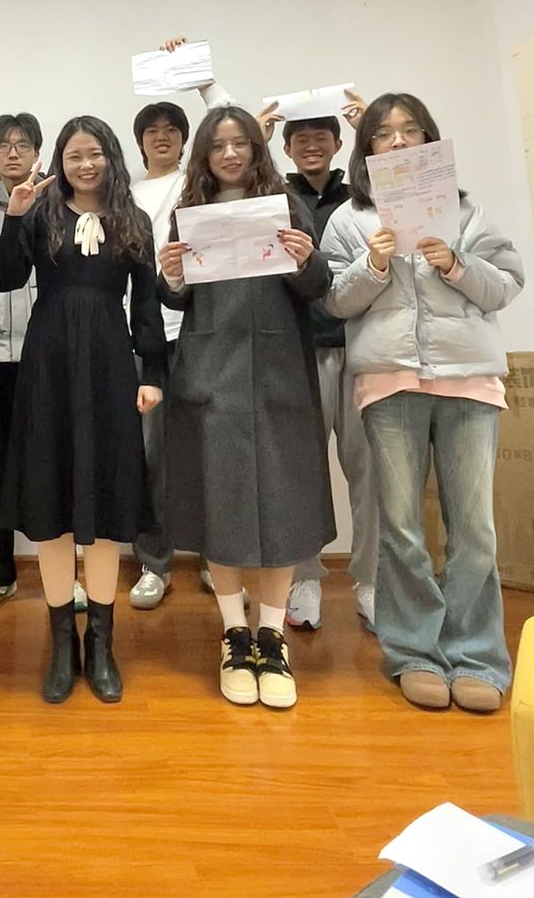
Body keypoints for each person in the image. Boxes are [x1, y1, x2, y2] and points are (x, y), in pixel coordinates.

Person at [322, 93, 524, 712]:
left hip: (469, 381)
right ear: (367, 150)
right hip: (390, 383)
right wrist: (374, 264)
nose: (399, 142)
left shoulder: (466, 211)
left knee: (475, 528)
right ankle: (413, 652)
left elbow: (506, 285)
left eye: (411, 130)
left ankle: (477, 656)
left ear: (431, 140)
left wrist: (458, 264)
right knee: (402, 527)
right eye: (384, 134)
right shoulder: (350, 219)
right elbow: (333, 301)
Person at [159, 106, 335, 709]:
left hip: (280, 375)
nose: (230, 154)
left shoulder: (285, 204)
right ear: (204, 155)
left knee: (283, 504)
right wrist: (172, 276)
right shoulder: (190, 213)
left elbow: (319, 287)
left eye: (240, 143)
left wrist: (305, 259)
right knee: (222, 502)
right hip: (212, 374)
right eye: (219, 145)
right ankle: (235, 634)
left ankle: (272, 637)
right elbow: (173, 297)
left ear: (257, 150)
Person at [0, 118, 166, 704]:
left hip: (111, 362)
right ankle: (62, 644)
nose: (85, 164)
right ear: (59, 163)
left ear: (110, 157)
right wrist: (14, 216)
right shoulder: (40, 214)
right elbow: (5, 276)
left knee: (107, 502)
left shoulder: (133, 219)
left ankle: (103, 644)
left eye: (94, 154)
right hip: (49, 363)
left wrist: (152, 373)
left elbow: (147, 302)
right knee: (52, 501)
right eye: (73, 155)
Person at [0, 112, 87, 616]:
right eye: (3, 144)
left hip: (46, 354)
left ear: (39, 152)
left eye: (23, 144)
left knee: (56, 464)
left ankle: (65, 577)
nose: (13, 152)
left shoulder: (63, 204)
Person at [128, 38, 234, 610]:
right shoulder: (124, 194)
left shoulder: (200, 185)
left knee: (211, 449)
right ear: (140, 141)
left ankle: (220, 560)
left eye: (172, 129)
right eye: (152, 131)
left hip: (201, 331)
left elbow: (231, 124)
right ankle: (155, 562)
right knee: (151, 457)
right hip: (145, 339)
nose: (162, 137)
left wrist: (201, 79)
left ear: (187, 140)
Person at [276, 113, 379, 633]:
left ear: (340, 143)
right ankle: (304, 578)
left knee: (369, 470)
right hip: (299, 352)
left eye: (321, 138)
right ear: (287, 149)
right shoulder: (276, 198)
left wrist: (372, 125)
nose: (311, 146)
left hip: (363, 347)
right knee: (301, 472)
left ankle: (371, 581)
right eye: (301, 140)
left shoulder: (363, 195)